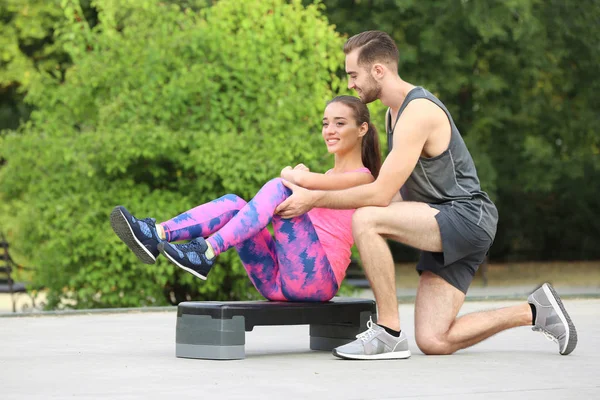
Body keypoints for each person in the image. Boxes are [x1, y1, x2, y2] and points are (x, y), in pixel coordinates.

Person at [276, 31, 577, 359]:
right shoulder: (393, 113)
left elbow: (379, 194)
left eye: (353, 75)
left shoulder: (417, 111)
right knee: (435, 340)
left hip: (464, 217)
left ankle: (388, 332)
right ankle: (536, 312)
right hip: (444, 220)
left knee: (367, 218)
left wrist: (313, 198)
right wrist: (312, 182)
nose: (350, 85)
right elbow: (383, 190)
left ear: (378, 71)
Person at [110, 95, 381, 302]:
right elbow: (311, 193)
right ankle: (156, 234)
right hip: (275, 279)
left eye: (340, 123)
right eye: (325, 124)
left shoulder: (363, 178)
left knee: (279, 186)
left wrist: (291, 173)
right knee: (234, 203)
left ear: (361, 129)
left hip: (316, 281)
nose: (329, 130)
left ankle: (206, 251)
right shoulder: (327, 177)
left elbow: (308, 183)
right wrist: (299, 181)